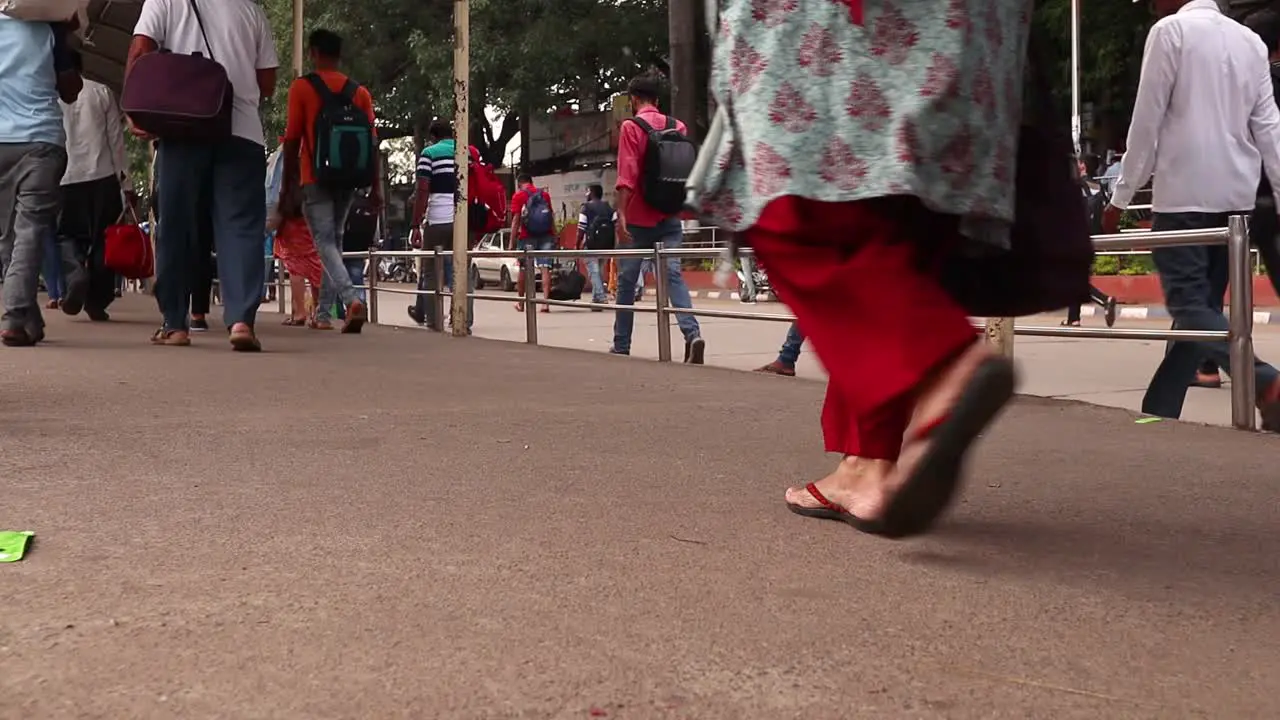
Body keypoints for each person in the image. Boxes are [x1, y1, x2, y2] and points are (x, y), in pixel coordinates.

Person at [693, 1, 1026, 537]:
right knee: (892, 220)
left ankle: (942, 364)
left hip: (843, 23)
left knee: (785, 202)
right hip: (964, 27)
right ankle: (866, 465)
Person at [1103, 0, 1280, 430]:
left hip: (1184, 195)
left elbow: (1146, 121)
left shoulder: (1170, 32)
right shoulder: (1250, 41)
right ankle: (1158, 412)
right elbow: (1268, 127)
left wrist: (1121, 197)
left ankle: (1268, 382)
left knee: (1188, 304)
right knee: (1198, 315)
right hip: (1235, 200)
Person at [128, 0, 279, 350]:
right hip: (242, 133)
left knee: (177, 225)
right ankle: (241, 321)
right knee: (240, 226)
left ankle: (175, 324)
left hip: (183, 130)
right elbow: (267, 82)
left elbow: (141, 49)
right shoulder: (251, 11)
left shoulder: (164, 1)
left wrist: (137, 109)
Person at [280, 29, 377, 334]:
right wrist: (375, 187)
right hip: (350, 178)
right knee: (333, 241)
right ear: (339, 55)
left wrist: (288, 184)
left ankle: (351, 300)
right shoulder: (359, 92)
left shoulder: (302, 88)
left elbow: (292, 140)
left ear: (313, 53)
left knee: (323, 242)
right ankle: (322, 314)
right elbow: (372, 144)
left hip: (315, 176)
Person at [610, 73, 705, 364]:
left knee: (627, 282)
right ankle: (692, 334)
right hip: (670, 216)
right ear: (658, 101)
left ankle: (622, 345)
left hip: (639, 218)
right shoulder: (679, 126)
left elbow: (627, 176)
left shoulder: (631, 127)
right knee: (673, 275)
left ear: (634, 100)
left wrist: (622, 214)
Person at [0, 16, 79, 346]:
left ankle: (25, 318)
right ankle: (17, 316)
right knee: (30, 231)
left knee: (6, 237)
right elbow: (71, 90)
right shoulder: (52, 28)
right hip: (41, 141)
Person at [58, 50, 133, 323]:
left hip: (65, 178)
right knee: (105, 238)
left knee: (65, 235)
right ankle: (97, 301)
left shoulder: (50, 96)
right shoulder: (101, 92)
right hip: (103, 178)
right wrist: (126, 182)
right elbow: (116, 141)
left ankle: (75, 272)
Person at [407, 119, 471, 332]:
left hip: (437, 219)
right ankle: (464, 321)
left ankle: (435, 322)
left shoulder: (429, 153)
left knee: (431, 272)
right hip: (462, 220)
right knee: (461, 270)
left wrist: (416, 224)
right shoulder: (466, 151)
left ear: (433, 136)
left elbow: (423, 190)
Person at [1064, 157, 1118, 327]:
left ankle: (1104, 300)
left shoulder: (1075, 186)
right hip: (1093, 235)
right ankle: (1074, 318)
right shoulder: (1098, 187)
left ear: (1083, 166)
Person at [510, 173, 556, 313]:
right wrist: (555, 235)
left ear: (519, 184)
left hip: (527, 237)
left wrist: (511, 242)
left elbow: (516, 220)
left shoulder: (518, 196)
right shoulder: (544, 195)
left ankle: (521, 302)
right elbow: (551, 216)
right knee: (545, 268)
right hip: (546, 235)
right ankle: (545, 303)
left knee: (523, 268)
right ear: (531, 181)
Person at [577, 183, 615, 309]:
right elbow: (615, 224)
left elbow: (581, 227)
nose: (586, 194)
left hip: (591, 244)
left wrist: (577, 244)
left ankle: (601, 297)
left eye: (588, 191)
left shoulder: (586, 207)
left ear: (592, 193)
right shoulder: (608, 207)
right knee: (598, 271)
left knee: (593, 271)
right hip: (606, 244)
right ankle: (596, 300)